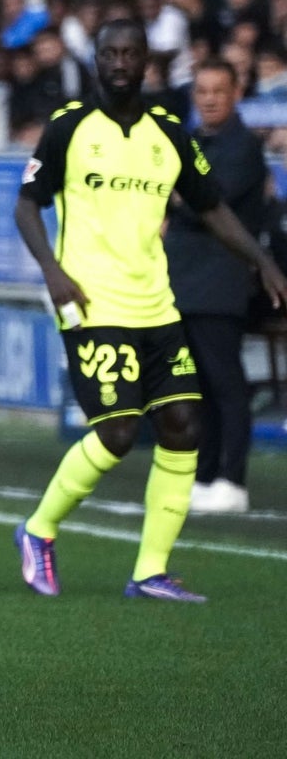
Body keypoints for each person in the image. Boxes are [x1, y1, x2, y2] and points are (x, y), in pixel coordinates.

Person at [12, 20, 287, 603]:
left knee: (184, 425)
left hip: (156, 304)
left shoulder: (170, 133)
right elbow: (27, 206)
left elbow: (211, 207)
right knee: (116, 432)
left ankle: (150, 570)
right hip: (91, 302)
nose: (119, 63)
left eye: (129, 54)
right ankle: (38, 530)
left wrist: (262, 260)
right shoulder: (68, 127)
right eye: (109, 53)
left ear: (145, 64)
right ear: (95, 60)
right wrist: (53, 274)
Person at [167, 58, 270, 515]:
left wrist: (175, 195)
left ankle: (233, 479)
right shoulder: (190, 141)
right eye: (202, 91)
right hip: (182, 278)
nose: (208, 99)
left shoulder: (244, 146)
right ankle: (205, 476)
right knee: (196, 386)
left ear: (236, 94)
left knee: (226, 381)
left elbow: (211, 201)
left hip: (221, 279)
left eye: (218, 91)